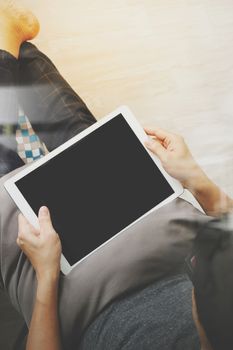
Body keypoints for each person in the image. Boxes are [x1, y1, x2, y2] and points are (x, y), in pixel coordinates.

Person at [0, 2, 232, 350]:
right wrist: (197, 179)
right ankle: (13, 44)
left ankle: (11, 43)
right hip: (143, 208)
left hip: (62, 272)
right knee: (84, 139)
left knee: (6, 160)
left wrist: (46, 276)